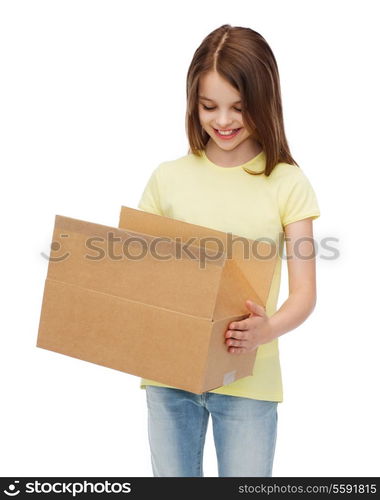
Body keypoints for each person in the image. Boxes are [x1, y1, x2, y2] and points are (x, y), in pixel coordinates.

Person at [136, 24, 320, 477]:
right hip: (169, 374)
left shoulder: (287, 183)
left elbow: (304, 294)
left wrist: (266, 329)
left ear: (265, 102)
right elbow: (138, 272)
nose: (223, 121)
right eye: (208, 106)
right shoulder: (168, 178)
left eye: (239, 107)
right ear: (192, 104)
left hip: (248, 380)